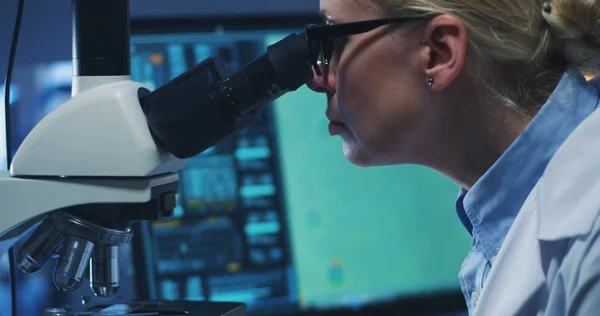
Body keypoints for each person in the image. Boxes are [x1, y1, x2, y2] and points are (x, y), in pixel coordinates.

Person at [305, 0, 600, 315]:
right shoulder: (507, 224)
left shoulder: (590, 247)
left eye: (334, 42)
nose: (316, 79)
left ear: (438, 53)